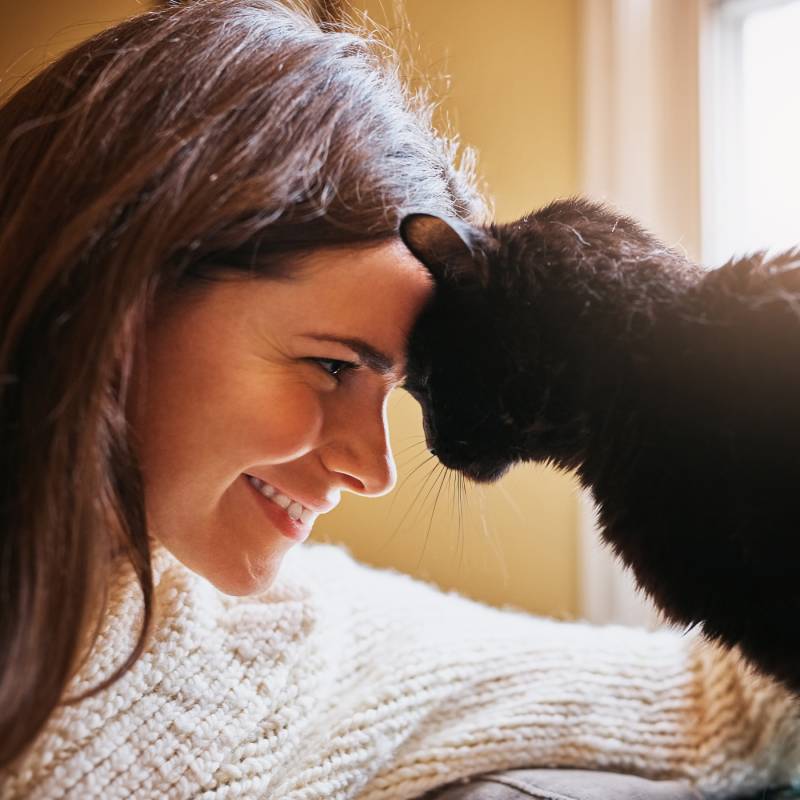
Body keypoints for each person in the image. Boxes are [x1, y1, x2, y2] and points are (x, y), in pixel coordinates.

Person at [0, 1, 798, 798]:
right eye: (333, 366)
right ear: (122, 286)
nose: (375, 470)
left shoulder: (303, 633)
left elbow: (709, 698)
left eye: (396, 392)